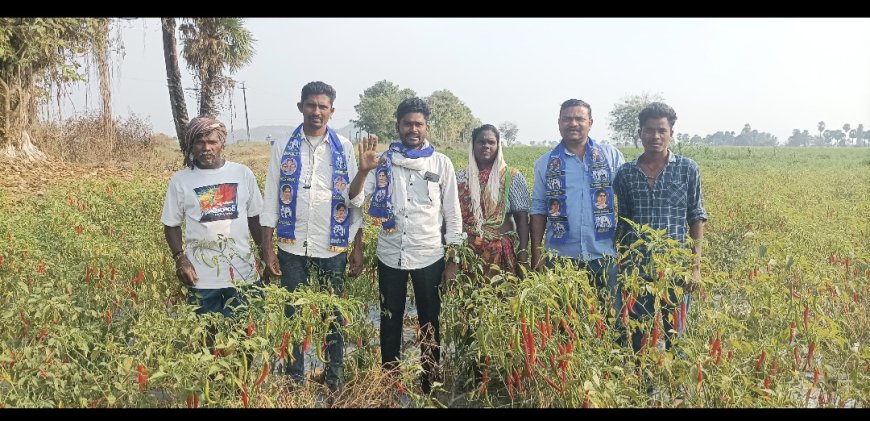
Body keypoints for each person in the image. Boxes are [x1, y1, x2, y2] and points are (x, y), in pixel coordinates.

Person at [348, 97, 464, 395]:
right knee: (390, 320)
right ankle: (389, 383)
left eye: (419, 124)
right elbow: (355, 201)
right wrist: (362, 172)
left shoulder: (441, 163)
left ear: (426, 127)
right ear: (397, 126)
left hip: (429, 255)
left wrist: (452, 260)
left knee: (430, 321)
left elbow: (452, 214)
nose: (413, 129)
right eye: (407, 123)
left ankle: (430, 383)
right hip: (390, 255)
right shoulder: (381, 161)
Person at [260, 81, 363, 394]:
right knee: (293, 313)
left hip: (332, 248)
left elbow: (355, 201)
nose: (316, 111)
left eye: (323, 106)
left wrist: (357, 249)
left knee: (334, 315)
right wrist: (267, 250)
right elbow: (271, 200)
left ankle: (334, 378)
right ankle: (294, 379)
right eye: (311, 105)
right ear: (300, 107)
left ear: (331, 111)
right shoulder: (283, 147)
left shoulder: (343, 148)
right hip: (291, 247)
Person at [613, 102, 708, 352]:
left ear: (671, 133)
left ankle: (676, 390)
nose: (655, 136)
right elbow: (623, 222)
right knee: (638, 336)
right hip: (637, 271)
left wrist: (695, 268)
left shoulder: (687, 169)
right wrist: (621, 262)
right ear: (639, 133)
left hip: (676, 269)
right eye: (649, 130)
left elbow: (696, 217)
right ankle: (644, 387)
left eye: (661, 130)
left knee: (676, 336)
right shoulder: (625, 174)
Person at [161, 116, 265, 318]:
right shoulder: (180, 181)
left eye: (212, 142)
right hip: (201, 278)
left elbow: (255, 218)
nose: (206, 147)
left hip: (243, 273)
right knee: (206, 339)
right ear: (191, 146)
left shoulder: (242, 174)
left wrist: (264, 253)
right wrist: (180, 258)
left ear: (222, 143)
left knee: (247, 336)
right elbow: (171, 225)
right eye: (199, 142)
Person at [530, 99, 625, 316]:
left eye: (579, 118)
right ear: (559, 123)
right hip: (561, 257)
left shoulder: (610, 156)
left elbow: (627, 202)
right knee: (564, 323)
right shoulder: (546, 163)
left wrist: (626, 249)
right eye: (567, 119)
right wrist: (537, 253)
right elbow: (538, 209)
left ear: (590, 123)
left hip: (604, 256)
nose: (573, 123)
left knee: (611, 320)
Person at [456, 124, 530, 276]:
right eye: (481, 142)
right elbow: (451, 216)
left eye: (491, 142)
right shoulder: (460, 177)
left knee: (500, 296)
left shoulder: (512, 177)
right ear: (473, 145)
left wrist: (523, 255)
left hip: (500, 254)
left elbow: (522, 220)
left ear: (498, 146)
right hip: (467, 253)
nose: (486, 146)